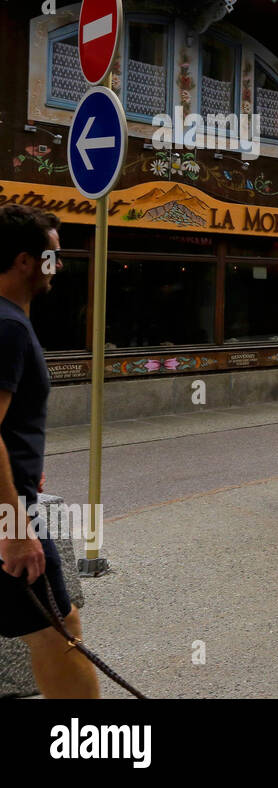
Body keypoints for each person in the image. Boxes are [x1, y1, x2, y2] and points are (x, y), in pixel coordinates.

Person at [0, 205, 99, 697]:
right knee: (60, 634)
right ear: (23, 261)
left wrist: (23, 467)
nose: (57, 267)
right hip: (7, 518)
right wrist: (15, 526)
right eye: (51, 257)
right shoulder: (9, 327)